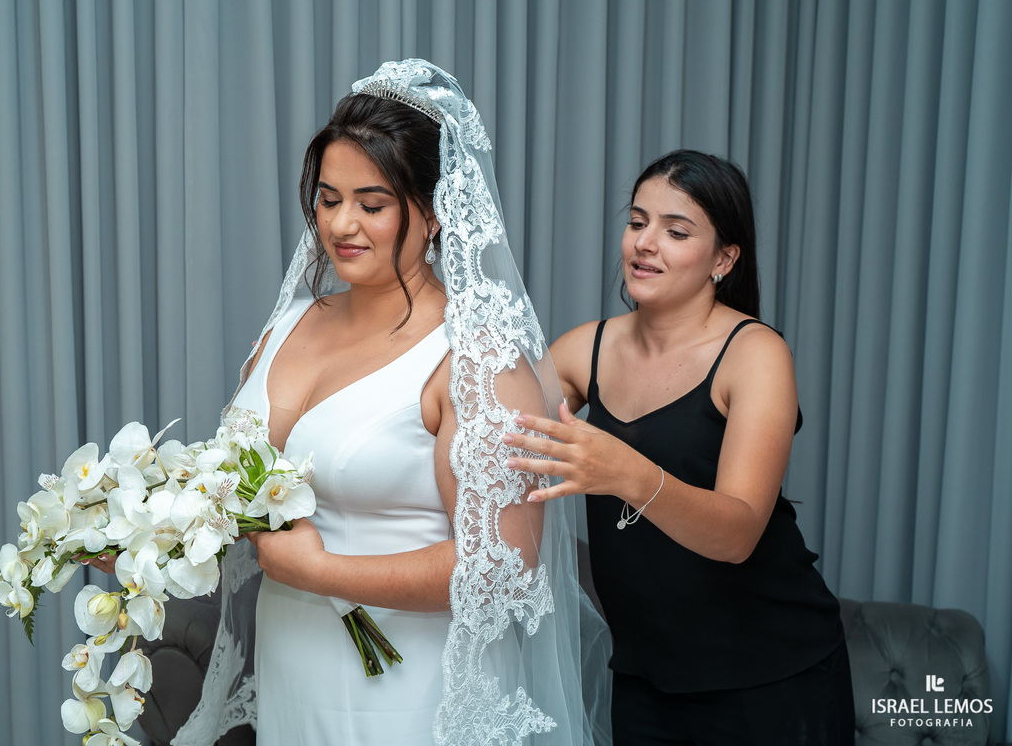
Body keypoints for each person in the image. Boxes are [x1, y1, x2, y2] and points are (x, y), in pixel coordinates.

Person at [170, 59, 611, 746]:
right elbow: (235, 491)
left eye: (372, 204)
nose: (342, 224)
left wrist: (322, 571)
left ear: (435, 214)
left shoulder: (473, 359)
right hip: (294, 666)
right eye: (328, 197)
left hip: (410, 691)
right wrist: (153, 536)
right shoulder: (290, 325)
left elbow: (501, 566)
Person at [505, 150, 854, 745]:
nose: (645, 243)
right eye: (638, 222)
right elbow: (489, 426)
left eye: (676, 231)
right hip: (645, 677)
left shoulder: (755, 353)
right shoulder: (585, 348)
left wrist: (628, 473)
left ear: (724, 259)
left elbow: (738, 533)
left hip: (770, 674)